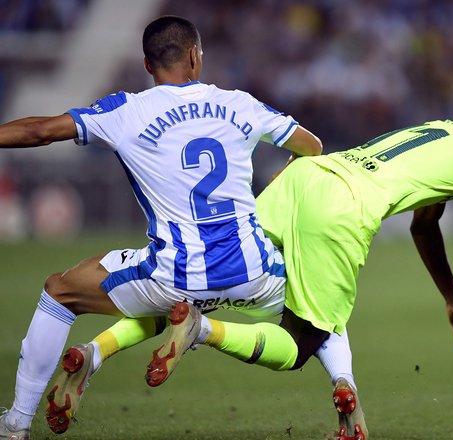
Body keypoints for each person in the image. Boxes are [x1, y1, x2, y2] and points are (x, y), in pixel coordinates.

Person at [80, 93, 453, 440]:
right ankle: (201, 332)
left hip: (304, 175)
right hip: (341, 210)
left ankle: (96, 352)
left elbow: (423, 225)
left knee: (213, 279)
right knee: (302, 339)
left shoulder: (450, 129)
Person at [0, 15, 358, 440]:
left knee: (59, 291)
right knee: (322, 303)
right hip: (254, 275)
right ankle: (344, 382)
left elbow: (40, 131)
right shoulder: (240, 103)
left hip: (173, 278)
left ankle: (17, 424)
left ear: (148, 66)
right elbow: (312, 148)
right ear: (195, 56)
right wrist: (277, 189)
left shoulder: (125, 111)